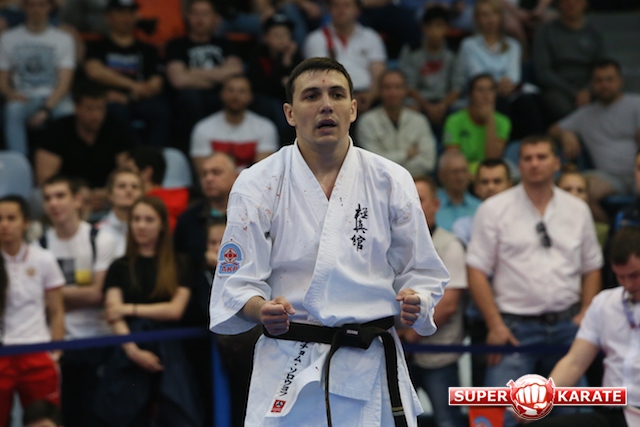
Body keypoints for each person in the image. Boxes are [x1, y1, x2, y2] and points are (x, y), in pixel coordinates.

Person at [209, 57, 449, 427]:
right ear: (290, 113)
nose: (326, 105)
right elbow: (236, 282)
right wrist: (261, 310)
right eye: (311, 96)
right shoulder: (257, 183)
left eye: (336, 94)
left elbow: (421, 270)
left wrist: (418, 298)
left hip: (368, 361)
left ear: (353, 109)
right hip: (288, 361)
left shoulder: (391, 179)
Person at [466, 135, 603, 427]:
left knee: (571, 419)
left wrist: (586, 314)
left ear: (556, 163)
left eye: (542, 157)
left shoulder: (577, 209)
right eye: (527, 158)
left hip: (568, 326)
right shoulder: (494, 209)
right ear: (519, 165)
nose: (534, 164)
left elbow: (592, 267)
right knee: (499, 417)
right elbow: (475, 269)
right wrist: (495, 324)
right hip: (514, 328)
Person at [94, 196, 201, 427]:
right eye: (136, 219)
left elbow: (175, 310)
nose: (141, 226)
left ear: (162, 224)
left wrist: (128, 308)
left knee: (180, 415)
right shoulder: (119, 266)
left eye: (149, 220)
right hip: (128, 349)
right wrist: (133, 352)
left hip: (170, 350)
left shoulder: (180, 263)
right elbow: (114, 315)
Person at [526, 226, 640, 427]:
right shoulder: (604, 303)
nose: (628, 285)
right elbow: (574, 362)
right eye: (620, 277)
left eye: (634, 275)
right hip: (614, 412)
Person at [40, 175, 119, 427]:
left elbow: (98, 294)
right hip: (61, 344)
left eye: (60, 196)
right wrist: (81, 294)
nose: (54, 203)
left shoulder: (100, 238)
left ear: (77, 200)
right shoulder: (40, 245)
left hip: (99, 340)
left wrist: (54, 295)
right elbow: (39, 302)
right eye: (48, 198)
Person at [400, 175, 467, 427]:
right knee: (396, 420)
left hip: (438, 354)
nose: (414, 206)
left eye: (420, 199)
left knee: (447, 421)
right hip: (398, 352)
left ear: (436, 204)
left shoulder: (450, 245)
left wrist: (410, 336)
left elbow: (448, 305)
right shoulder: (392, 244)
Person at [0, 195, 65, 427]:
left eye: (11, 218)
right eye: (0, 219)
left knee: (44, 421)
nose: (4, 225)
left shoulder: (44, 259)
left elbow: (57, 311)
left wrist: (55, 352)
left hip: (37, 351)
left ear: (26, 223)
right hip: (2, 352)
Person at [549, 59, 640, 222]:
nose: (605, 85)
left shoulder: (636, 104)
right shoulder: (585, 114)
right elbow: (553, 130)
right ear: (592, 84)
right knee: (577, 189)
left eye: (609, 79)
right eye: (599, 80)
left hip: (637, 171)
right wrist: (565, 135)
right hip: (609, 177)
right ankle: (608, 233)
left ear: (620, 81)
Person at [83, 0, 171, 148]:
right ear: (108, 17)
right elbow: (94, 72)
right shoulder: (97, 46)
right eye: (121, 13)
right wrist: (133, 86)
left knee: (160, 111)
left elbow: (157, 81)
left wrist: (133, 95)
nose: (126, 18)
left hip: (141, 98)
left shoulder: (148, 49)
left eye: (130, 13)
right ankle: (131, 155)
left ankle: (153, 155)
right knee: (116, 112)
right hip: (110, 98)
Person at [452, 0, 544, 140]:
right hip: (480, 95)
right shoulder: (468, 46)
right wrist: (496, 86)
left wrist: (506, 84)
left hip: (508, 92)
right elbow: (477, 75)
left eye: (494, 14)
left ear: (501, 17)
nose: (490, 19)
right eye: (485, 15)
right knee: (500, 102)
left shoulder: (513, 45)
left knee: (528, 102)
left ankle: (535, 145)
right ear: (477, 19)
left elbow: (514, 76)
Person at [0, 0, 75, 156]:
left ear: (50, 7)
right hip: (23, 96)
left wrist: (46, 109)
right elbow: (2, 76)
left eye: (41, 5)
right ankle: (20, 163)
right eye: (32, 5)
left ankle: (66, 163)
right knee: (13, 110)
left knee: (67, 112)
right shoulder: (8, 38)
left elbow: (65, 82)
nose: (36, 10)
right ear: (24, 7)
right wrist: (9, 93)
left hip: (54, 96)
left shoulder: (63, 39)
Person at [165, 0, 243, 149]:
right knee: (189, 97)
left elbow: (235, 71)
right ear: (187, 17)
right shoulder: (176, 45)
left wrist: (192, 72)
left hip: (221, 94)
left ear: (215, 18)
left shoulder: (225, 44)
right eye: (195, 14)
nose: (200, 19)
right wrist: (219, 76)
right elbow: (178, 80)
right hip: (190, 100)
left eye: (205, 14)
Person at [35, 82, 135, 192]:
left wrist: (106, 192)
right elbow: (46, 179)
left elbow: (127, 171)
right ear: (77, 108)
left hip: (108, 193)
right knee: (37, 195)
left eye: (100, 108)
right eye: (89, 109)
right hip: (68, 194)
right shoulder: (56, 130)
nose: (96, 115)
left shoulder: (118, 127)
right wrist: (77, 194)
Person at [303, 0, 386, 112]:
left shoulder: (371, 37)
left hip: (368, 99)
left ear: (357, 10)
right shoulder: (316, 39)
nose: (341, 10)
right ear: (329, 10)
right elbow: (317, 77)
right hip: (331, 101)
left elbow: (378, 74)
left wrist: (370, 97)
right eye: (336, 6)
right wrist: (345, 99)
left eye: (346, 5)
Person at [190, 74, 278, 173]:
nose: (235, 96)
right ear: (221, 94)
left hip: (252, 183)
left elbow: (262, 172)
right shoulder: (203, 128)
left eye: (242, 91)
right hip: (217, 182)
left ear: (250, 96)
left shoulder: (265, 127)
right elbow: (205, 173)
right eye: (230, 90)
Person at [533, 0, 604, 122]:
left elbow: (602, 65)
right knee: (560, 106)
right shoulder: (545, 31)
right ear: (559, 3)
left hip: (589, 85)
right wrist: (574, 92)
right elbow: (543, 72)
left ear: (585, 3)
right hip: (558, 87)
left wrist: (587, 90)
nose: (571, 3)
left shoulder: (594, 32)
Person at [357, 69, 437, 177]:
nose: (393, 92)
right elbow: (372, 163)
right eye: (387, 87)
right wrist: (406, 154)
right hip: (379, 181)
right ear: (379, 91)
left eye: (398, 87)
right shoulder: (367, 121)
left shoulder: (419, 121)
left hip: (416, 181)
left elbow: (428, 162)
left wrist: (391, 166)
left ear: (405, 91)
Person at [174, 152, 238, 271]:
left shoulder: (248, 217)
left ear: (236, 177)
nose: (209, 178)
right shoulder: (187, 220)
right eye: (204, 174)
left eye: (216, 172)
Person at [399, 6, 459, 131]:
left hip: (445, 101)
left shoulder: (454, 52)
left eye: (439, 26)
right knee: (408, 106)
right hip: (420, 100)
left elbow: (457, 87)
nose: (434, 31)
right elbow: (409, 86)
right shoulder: (411, 50)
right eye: (430, 26)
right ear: (423, 28)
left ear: (447, 28)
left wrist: (442, 105)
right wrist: (427, 106)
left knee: (463, 107)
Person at [247, 13, 303, 146]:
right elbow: (259, 85)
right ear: (265, 38)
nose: (282, 39)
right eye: (277, 35)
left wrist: (287, 61)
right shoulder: (257, 54)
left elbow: (296, 84)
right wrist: (280, 77)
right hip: (264, 100)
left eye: (285, 35)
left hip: (287, 99)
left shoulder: (295, 55)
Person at [443, 74, 511, 174]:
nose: (486, 95)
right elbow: (454, 162)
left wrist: (490, 120)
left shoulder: (503, 122)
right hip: (462, 174)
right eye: (480, 90)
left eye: (490, 90)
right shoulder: (454, 121)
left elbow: (492, 161)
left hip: (488, 174)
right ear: (470, 95)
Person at [125, 146, 189, 233]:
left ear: (147, 173)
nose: (123, 175)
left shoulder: (147, 207)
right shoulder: (185, 205)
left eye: (129, 171)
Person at [452, 157, 512, 246]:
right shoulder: (463, 227)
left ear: (510, 187)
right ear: (476, 188)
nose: (490, 187)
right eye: (484, 182)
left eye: (497, 181)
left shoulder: (523, 223)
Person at [97, 167, 144, 256]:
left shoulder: (149, 230)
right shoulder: (98, 231)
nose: (129, 190)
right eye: (122, 186)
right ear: (110, 194)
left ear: (142, 194)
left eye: (135, 187)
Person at [556, 166, 609, 246]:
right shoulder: (545, 227)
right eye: (567, 189)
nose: (574, 194)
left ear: (588, 197)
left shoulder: (602, 232)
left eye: (580, 190)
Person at [436, 150, 481, 231]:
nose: (461, 177)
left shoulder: (479, 207)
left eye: (464, 171)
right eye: (455, 172)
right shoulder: (432, 205)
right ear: (441, 175)